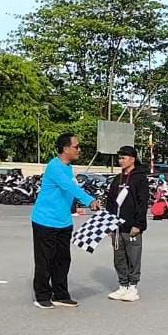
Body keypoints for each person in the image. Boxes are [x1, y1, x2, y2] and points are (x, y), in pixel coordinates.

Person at [30, 132, 100, 309]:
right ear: (66, 148)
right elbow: (69, 187)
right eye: (76, 147)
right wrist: (90, 200)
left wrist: (75, 207)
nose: (79, 150)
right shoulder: (54, 166)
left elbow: (67, 192)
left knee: (62, 260)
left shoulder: (68, 168)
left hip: (63, 222)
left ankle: (60, 294)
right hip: (45, 221)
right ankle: (42, 295)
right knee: (45, 260)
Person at [106, 146, 150, 302]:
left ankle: (132, 287)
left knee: (133, 256)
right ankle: (122, 285)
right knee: (119, 257)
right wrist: (109, 224)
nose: (120, 161)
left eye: (123, 158)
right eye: (119, 158)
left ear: (132, 159)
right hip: (117, 227)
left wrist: (138, 224)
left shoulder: (140, 178)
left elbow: (142, 202)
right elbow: (110, 202)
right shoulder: (117, 179)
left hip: (132, 227)